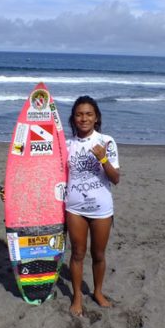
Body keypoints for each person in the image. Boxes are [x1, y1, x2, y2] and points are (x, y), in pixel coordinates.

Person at [65, 96, 120, 316]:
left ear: (96, 118)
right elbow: (51, 175)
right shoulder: (66, 145)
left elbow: (116, 179)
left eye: (88, 114)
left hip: (101, 209)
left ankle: (97, 292)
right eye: (79, 114)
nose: (84, 118)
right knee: (77, 253)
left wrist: (104, 159)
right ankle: (77, 296)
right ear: (73, 118)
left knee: (98, 254)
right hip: (74, 207)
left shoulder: (107, 142)